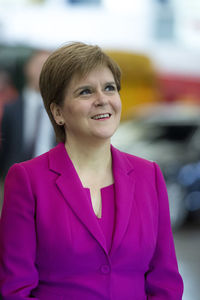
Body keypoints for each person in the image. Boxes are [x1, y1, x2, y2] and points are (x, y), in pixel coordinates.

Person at [0, 42, 183, 299]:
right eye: (85, 92)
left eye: (109, 88)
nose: (102, 100)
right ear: (58, 112)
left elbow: (165, 282)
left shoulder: (149, 175)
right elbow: (15, 288)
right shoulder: (27, 180)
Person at [0, 50, 56, 179]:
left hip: (52, 178)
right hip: (16, 178)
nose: (43, 70)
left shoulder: (62, 109)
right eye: (39, 65)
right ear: (27, 68)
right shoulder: (10, 109)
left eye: (49, 66)